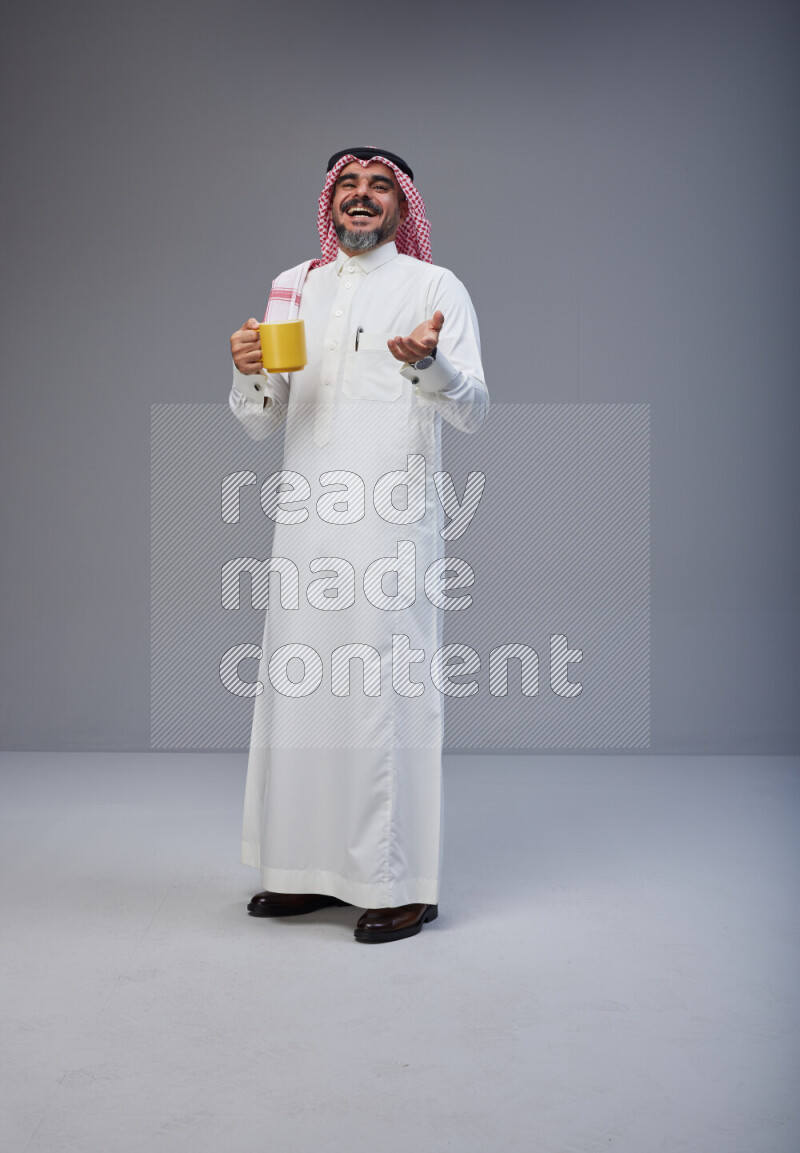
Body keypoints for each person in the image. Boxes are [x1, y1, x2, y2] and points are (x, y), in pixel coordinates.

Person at [228, 147, 489, 943]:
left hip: (390, 525)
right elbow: (261, 418)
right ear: (330, 201)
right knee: (301, 694)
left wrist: (430, 363)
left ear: (403, 207)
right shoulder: (292, 286)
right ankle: (305, 872)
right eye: (350, 185)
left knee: (384, 697)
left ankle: (399, 882)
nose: (363, 198)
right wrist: (245, 373)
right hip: (305, 523)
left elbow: (473, 408)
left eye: (380, 187)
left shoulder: (433, 288)